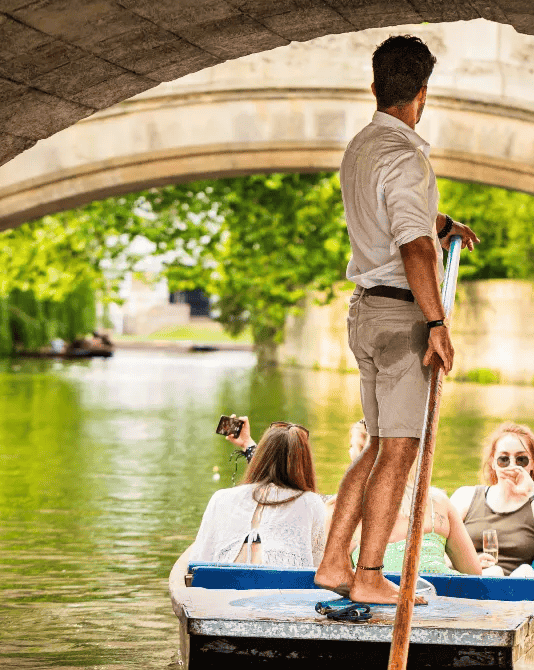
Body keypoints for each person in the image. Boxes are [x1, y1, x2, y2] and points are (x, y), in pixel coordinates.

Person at [313, 35, 480, 606]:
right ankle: (369, 574)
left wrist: (445, 223)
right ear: (423, 94)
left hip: (364, 312)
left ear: (375, 87)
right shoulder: (408, 155)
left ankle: (335, 563)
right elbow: (409, 244)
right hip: (400, 315)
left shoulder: (360, 147)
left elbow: (402, 218)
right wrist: (437, 323)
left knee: (377, 447)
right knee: (399, 452)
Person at [346, 422, 483, 576]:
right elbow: (474, 575)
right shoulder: (437, 502)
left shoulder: (345, 514)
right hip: (438, 594)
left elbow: (474, 574)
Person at [450, 423, 534, 577]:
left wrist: (533, 492)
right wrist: (467, 562)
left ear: (533, 463)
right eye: (504, 459)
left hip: (515, 590)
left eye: (521, 460)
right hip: (465, 583)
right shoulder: (466, 497)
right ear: (493, 463)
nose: (512, 466)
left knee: (522, 572)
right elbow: (435, 548)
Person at [190, 417, 327, 567]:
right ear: (304, 464)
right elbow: (319, 569)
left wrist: (248, 444)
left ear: (262, 456)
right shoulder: (312, 503)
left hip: (226, 585)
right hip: (282, 587)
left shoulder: (220, 498)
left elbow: (198, 562)